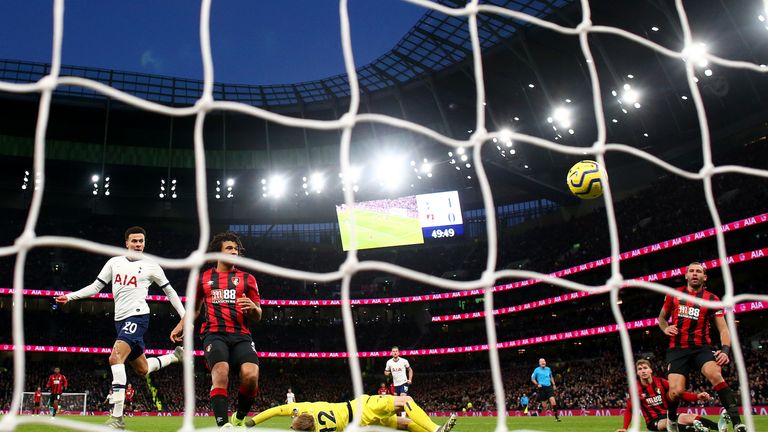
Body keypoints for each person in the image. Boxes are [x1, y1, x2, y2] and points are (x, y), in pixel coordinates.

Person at [55, 226, 186, 429]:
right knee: (143, 369)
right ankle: (175, 356)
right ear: (126, 243)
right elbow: (96, 287)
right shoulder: (114, 263)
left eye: (141, 241)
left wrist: (184, 316)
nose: (138, 245)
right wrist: (70, 297)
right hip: (120, 321)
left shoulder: (152, 266)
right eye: (134, 241)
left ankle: (117, 418)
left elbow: (170, 292)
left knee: (115, 357)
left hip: (138, 316)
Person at [170, 231, 262, 429]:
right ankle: (223, 425)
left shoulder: (248, 279)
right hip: (214, 334)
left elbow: (258, 315)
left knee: (251, 376)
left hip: (242, 336)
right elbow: (194, 310)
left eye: (236, 249)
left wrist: (253, 309)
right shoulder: (203, 278)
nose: (234, 252)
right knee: (221, 372)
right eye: (229, 248)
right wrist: (180, 326)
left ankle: (239, 417)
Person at [658, 262, 745, 432]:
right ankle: (672, 419)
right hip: (678, 349)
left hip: (701, 348)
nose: (695, 273)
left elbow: (723, 328)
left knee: (715, 374)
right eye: (691, 271)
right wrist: (665, 327)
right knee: (675, 392)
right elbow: (661, 317)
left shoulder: (712, 299)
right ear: (686, 275)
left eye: (699, 271)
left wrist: (725, 350)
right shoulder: (673, 295)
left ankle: (737, 423)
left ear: (705, 277)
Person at [244, 394, 457, 432]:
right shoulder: (306, 407)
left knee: (403, 425)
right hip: (361, 407)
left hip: (359, 426)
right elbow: (275, 410)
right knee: (406, 402)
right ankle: (435, 429)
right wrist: (252, 422)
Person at [615, 359, 723, 432]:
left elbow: (679, 393)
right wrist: (625, 428)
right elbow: (629, 409)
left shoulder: (661, 382)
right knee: (668, 423)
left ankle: (719, 427)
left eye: (645, 368)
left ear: (650, 370)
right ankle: (695, 429)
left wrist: (697, 396)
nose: (643, 371)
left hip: (668, 414)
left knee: (690, 417)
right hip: (654, 421)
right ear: (637, 373)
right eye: (640, 369)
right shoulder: (634, 389)